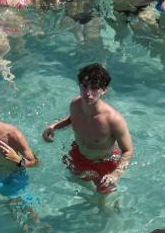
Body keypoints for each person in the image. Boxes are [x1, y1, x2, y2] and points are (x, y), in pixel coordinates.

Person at [42, 62, 135, 199]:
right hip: (79, 153)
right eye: (84, 86)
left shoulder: (113, 120)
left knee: (105, 199)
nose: (88, 93)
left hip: (104, 162)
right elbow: (72, 118)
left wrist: (116, 173)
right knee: (76, 181)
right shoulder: (75, 104)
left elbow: (128, 151)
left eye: (95, 88)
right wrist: (54, 126)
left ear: (104, 90)